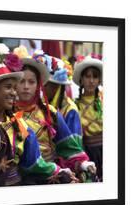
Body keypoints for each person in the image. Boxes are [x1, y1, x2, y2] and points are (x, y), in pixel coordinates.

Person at [0, 43, 75, 187]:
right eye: (8, 87)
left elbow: (34, 162)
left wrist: (59, 171)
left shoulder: (20, 125)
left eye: (14, 87)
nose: (14, 92)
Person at [13, 46, 96, 180]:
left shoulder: (49, 112)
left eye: (31, 82)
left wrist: (82, 163)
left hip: (51, 176)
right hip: (19, 180)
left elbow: (68, 146)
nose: (26, 86)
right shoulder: (7, 114)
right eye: (21, 81)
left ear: (39, 85)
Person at [73, 57, 103, 181]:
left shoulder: (104, 101)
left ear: (99, 80)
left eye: (95, 77)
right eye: (87, 76)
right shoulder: (74, 105)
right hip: (86, 153)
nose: (91, 81)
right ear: (81, 79)